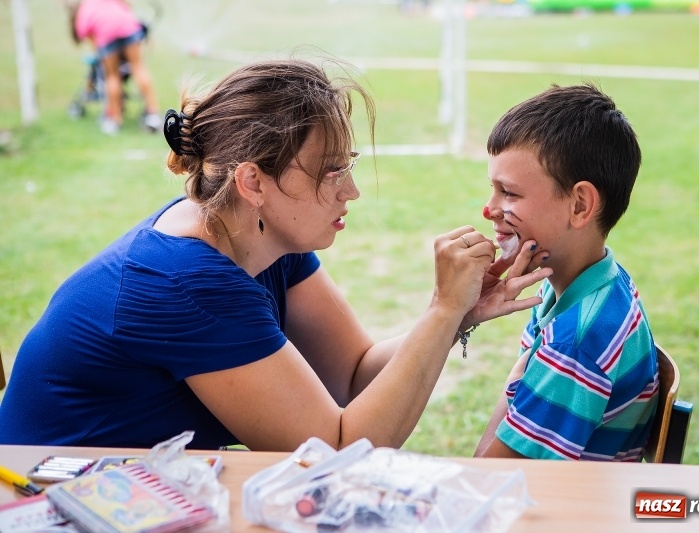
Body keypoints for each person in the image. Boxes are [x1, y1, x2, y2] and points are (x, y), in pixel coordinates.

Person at [0, 58, 552, 451]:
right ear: (253, 181)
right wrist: (439, 311)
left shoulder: (255, 236)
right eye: (329, 171)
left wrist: (456, 312)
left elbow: (354, 375)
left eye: (348, 164)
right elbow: (336, 452)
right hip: (47, 500)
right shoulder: (188, 282)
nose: (350, 190)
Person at [473, 84, 659, 462]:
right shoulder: (595, 284)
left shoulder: (577, 343)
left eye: (508, 192)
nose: (489, 209)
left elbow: (491, 479)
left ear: (579, 205)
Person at [65, 0, 160, 134]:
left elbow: (93, 43)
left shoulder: (84, 9)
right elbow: (127, 7)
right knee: (138, 67)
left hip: (106, 36)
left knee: (112, 75)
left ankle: (115, 119)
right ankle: (152, 114)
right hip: (128, 27)